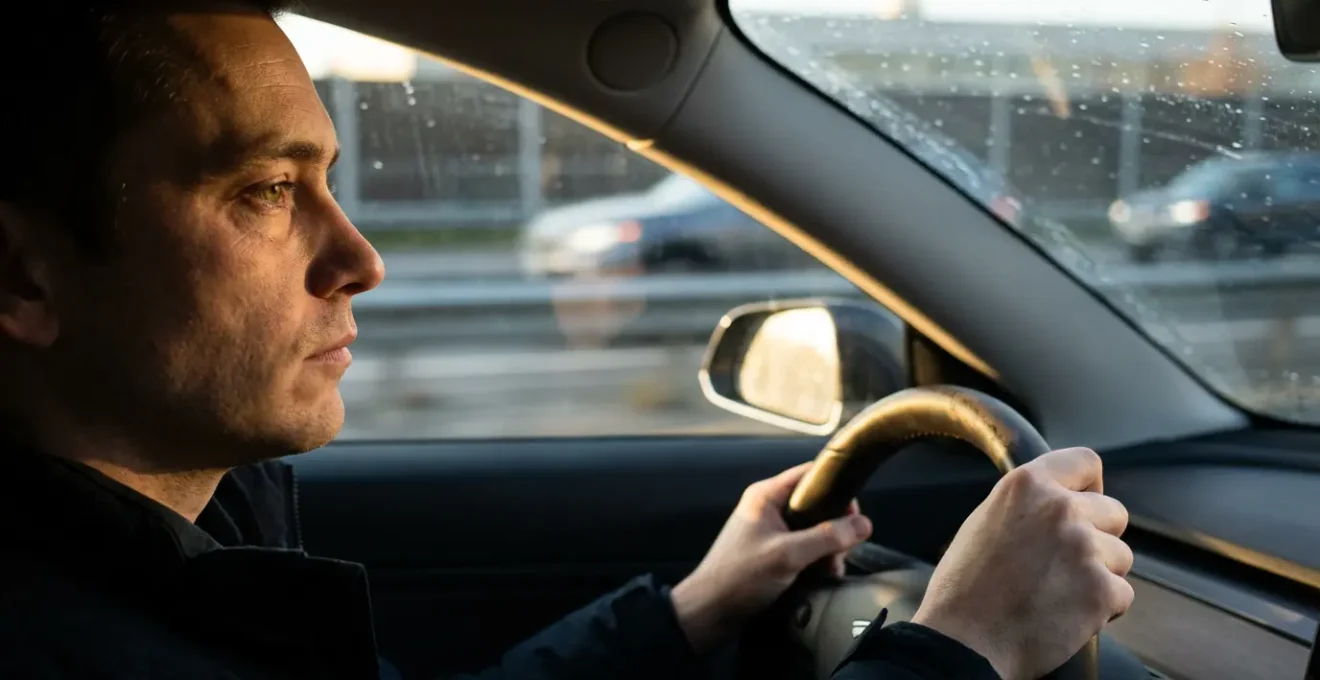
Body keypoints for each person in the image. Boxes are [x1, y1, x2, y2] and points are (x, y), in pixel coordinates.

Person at [0, 2, 1133, 679]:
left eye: (328, 181)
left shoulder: (202, 545)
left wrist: (691, 610)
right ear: (23, 278)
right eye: (264, 189)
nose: (360, 259)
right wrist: (958, 647)